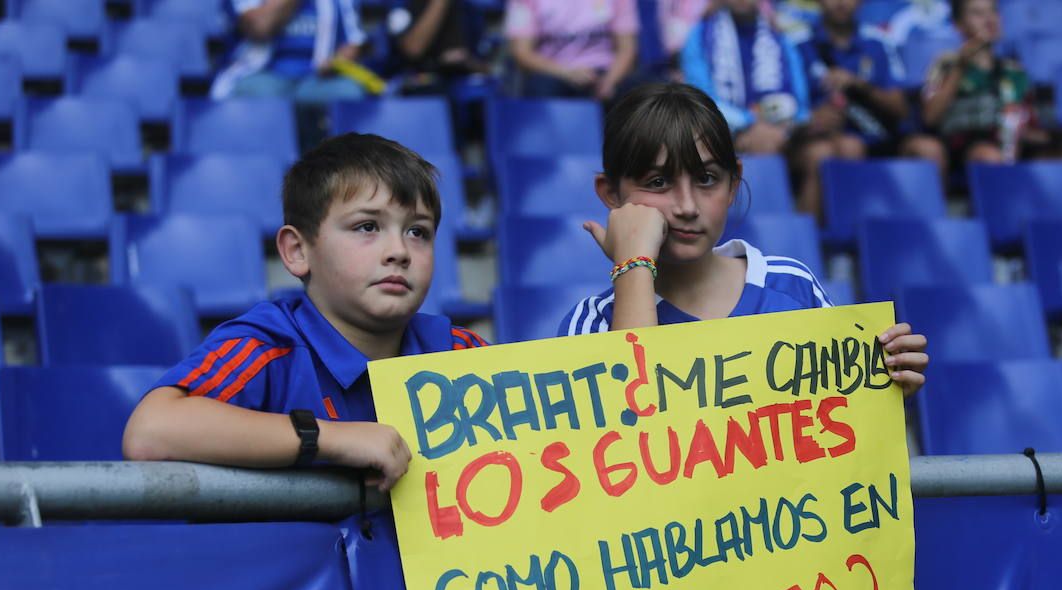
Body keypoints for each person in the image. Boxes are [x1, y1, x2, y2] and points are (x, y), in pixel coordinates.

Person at [123, 133, 487, 490]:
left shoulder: (461, 354)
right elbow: (150, 433)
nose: (399, 251)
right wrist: (327, 438)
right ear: (297, 251)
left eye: (417, 232)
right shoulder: (266, 348)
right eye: (367, 226)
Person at [556, 82, 928, 397]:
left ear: (734, 183)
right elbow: (623, 435)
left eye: (706, 179)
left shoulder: (792, 285)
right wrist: (633, 264)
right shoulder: (593, 325)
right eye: (657, 182)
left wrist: (886, 389)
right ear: (610, 193)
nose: (687, 206)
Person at [793, 0, 936, 216]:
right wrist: (809, 118)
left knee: (929, 149)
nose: (841, 3)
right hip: (822, 140)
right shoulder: (798, 44)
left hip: (880, 137)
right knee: (847, 148)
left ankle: (930, 239)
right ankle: (842, 241)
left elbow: (901, 109)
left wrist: (859, 85)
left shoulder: (878, 42)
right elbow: (786, 105)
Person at [916, 0, 1062, 173]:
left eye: (993, 11)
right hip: (963, 148)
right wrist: (961, 66)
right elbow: (930, 117)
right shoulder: (945, 65)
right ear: (958, 25)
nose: (989, 19)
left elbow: (1030, 122)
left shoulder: (1014, 71)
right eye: (978, 13)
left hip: (1012, 146)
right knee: (989, 156)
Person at [680, 0, 810, 156]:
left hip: (784, 132)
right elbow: (700, 100)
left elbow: (801, 105)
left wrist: (783, 130)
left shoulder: (780, 36)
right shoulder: (700, 35)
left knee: (821, 152)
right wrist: (749, 122)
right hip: (721, 131)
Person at [212, 0, 369, 101]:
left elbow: (353, 41)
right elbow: (259, 27)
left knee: (347, 92)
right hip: (261, 73)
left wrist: (337, 61)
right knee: (260, 93)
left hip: (317, 78)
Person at [504, 0, 640, 100]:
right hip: (553, 72)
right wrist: (566, 73)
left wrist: (610, 81)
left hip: (604, 71)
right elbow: (521, 53)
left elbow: (627, 49)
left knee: (643, 90)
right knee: (542, 89)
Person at [385, 0, 485, 93]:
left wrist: (467, 61)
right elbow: (413, 49)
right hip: (414, 88)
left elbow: (484, 67)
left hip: (463, 84)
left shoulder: (468, 7)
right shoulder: (403, 3)